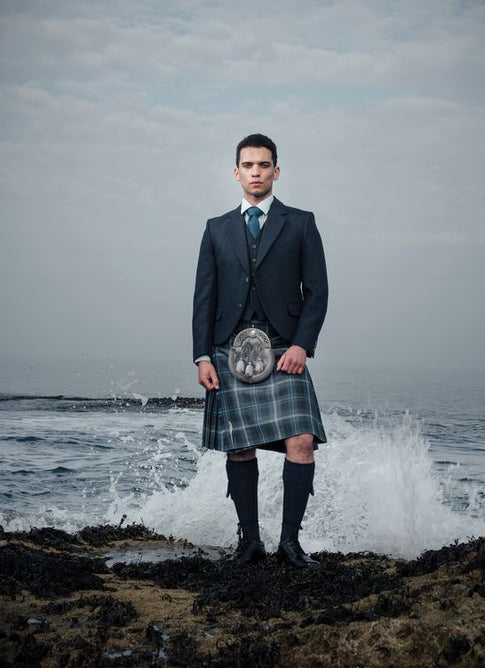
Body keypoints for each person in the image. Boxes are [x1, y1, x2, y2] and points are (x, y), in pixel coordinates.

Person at [192, 134, 328, 568]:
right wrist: (202, 356)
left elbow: (318, 292)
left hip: (285, 347)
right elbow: (204, 299)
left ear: (276, 171)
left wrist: (303, 344)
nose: (255, 172)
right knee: (240, 446)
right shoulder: (216, 229)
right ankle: (249, 542)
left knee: (302, 440)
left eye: (263, 165)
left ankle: (291, 543)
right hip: (228, 350)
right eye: (248, 165)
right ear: (236, 172)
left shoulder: (301, 222)